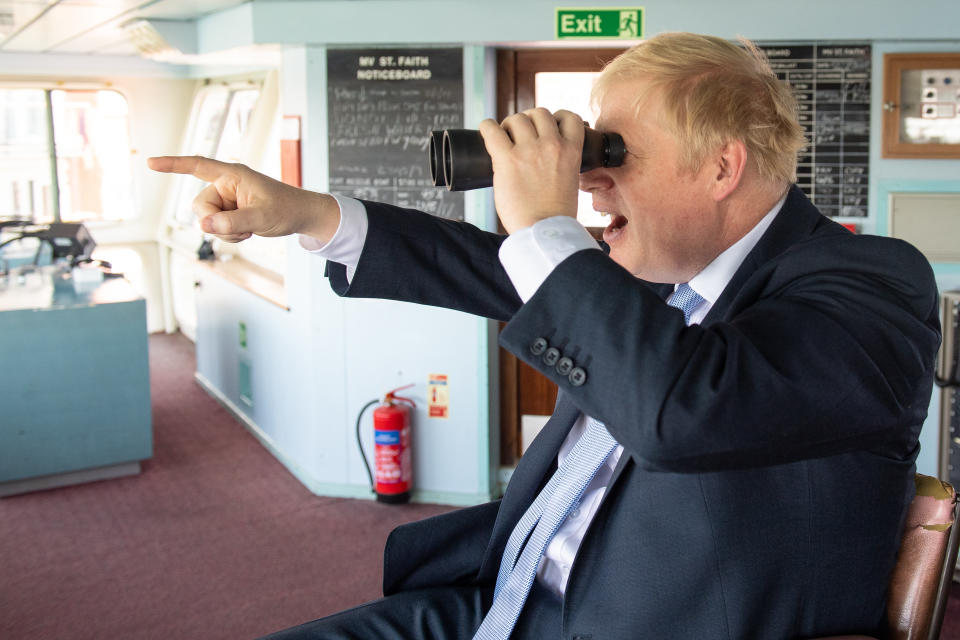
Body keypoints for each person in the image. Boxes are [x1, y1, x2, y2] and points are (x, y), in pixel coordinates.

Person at [149, 32, 940, 640]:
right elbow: (499, 269)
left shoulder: (870, 283)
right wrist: (312, 216)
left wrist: (545, 221)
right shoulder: (663, 264)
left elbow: (687, 406)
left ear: (721, 166)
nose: (590, 176)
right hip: (506, 603)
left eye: (614, 153)